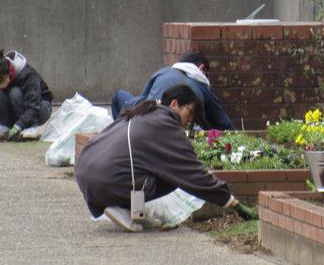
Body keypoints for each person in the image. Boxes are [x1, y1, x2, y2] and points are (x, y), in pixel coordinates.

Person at [76, 84, 255, 232]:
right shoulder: (164, 124)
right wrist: (232, 203)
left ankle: (119, 202)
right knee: (174, 176)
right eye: (190, 113)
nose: (189, 121)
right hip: (107, 181)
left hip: (85, 173)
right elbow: (191, 171)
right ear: (175, 104)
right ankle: (121, 206)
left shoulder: (142, 112)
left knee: (162, 169)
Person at [111, 50, 234, 130]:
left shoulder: (162, 72)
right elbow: (224, 123)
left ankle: (119, 130)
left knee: (118, 96)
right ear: (201, 69)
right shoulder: (203, 88)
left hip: (142, 120)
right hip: (175, 130)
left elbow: (143, 101)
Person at [0, 50, 53, 140]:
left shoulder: (28, 75)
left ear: (9, 73)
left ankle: (30, 128)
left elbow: (34, 106)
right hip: (16, 112)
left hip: (39, 108)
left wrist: (20, 125)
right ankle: (6, 127)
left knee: (15, 92)